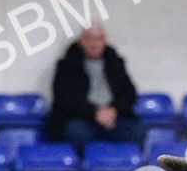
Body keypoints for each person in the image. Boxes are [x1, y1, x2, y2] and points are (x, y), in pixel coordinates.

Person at [47, 24, 144, 155]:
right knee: (77, 133)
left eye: (99, 39)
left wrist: (113, 111)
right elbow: (65, 98)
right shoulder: (67, 65)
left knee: (136, 131)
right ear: (81, 40)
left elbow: (129, 93)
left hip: (113, 116)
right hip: (81, 118)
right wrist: (95, 113)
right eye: (90, 39)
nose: (95, 44)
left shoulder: (115, 62)